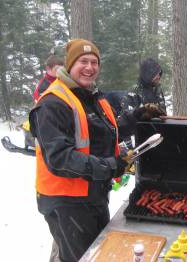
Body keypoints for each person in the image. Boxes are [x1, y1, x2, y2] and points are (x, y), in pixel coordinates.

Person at [29, 38, 133, 262]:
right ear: (69, 65)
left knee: (97, 254)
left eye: (94, 62)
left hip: (92, 196)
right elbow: (59, 158)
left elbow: (101, 135)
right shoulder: (52, 103)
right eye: (83, 61)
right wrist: (108, 166)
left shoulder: (90, 97)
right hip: (66, 201)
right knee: (81, 258)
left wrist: (135, 119)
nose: (90, 67)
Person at [118, 58, 167, 144]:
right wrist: (142, 112)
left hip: (157, 135)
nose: (158, 76)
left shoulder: (157, 90)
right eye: (156, 74)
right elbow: (124, 120)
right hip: (139, 139)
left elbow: (163, 113)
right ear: (148, 74)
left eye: (159, 73)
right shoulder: (135, 91)